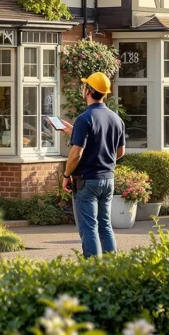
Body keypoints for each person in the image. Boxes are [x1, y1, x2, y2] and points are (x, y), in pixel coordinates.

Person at [59, 71, 125, 258]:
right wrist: (74, 132)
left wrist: (66, 175)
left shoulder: (84, 118)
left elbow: (76, 154)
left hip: (86, 181)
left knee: (89, 227)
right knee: (105, 225)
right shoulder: (116, 119)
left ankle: (93, 269)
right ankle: (113, 266)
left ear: (88, 91)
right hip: (108, 179)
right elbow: (120, 152)